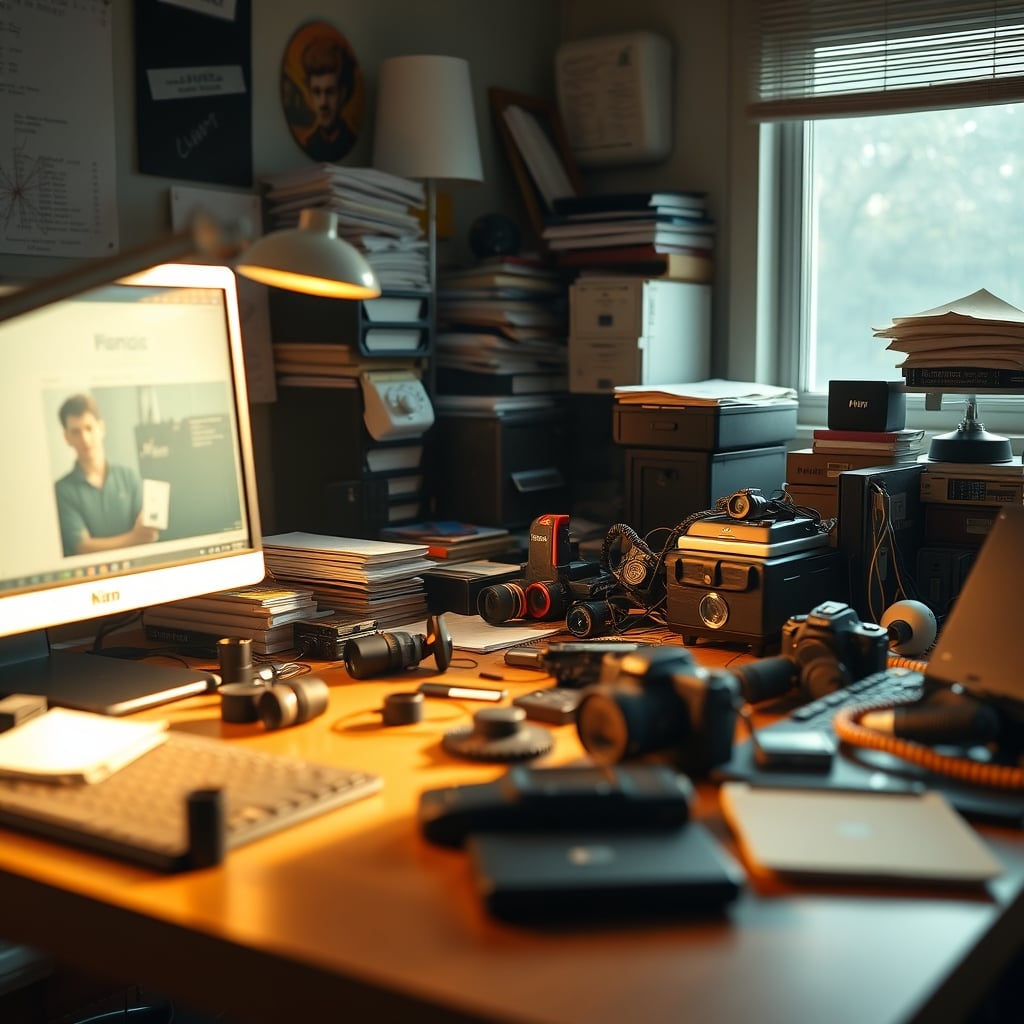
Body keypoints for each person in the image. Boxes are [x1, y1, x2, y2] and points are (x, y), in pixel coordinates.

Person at [54, 393, 159, 557]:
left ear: (101, 428)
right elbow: (82, 547)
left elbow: (147, 534)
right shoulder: (62, 490)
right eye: (76, 432)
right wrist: (134, 538)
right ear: (67, 438)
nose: (85, 439)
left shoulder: (129, 476)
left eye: (89, 428)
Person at [299, 35, 357, 161]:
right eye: (316, 92)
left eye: (330, 92)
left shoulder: (350, 141)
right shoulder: (309, 143)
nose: (323, 103)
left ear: (342, 94)